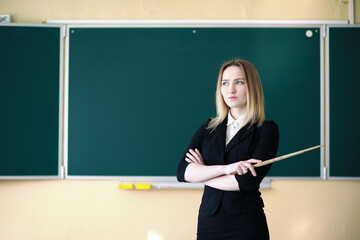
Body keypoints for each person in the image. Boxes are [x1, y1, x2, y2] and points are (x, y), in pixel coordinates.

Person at [176, 59, 279, 240]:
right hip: (209, 221)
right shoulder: (208, 128)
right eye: (225, 83)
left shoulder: (266, 129)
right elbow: (183, 172)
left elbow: (246, 182)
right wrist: (226, 169)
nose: (230, 89)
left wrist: (203, 174)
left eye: (239, 82)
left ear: (252, 87)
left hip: (246, 223)